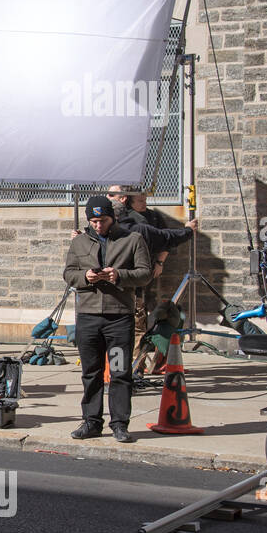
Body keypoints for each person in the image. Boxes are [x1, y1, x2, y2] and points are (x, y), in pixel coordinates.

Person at [63, 195, 152, 444]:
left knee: (120, 371)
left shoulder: (132, 240)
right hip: (89, 317)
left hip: (119, 317)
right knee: (91, 372)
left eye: (102, 220)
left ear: (112, 218)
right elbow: (68, 273)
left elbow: (145, 274)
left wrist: (119, 275)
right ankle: (91, 421)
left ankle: (120, 424)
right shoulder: (79, 242)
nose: (98, 225)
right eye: (93, 221)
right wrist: (85, 277)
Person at [106, 186, 199, 363]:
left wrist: (159, 262)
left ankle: (127, 367)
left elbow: (164, 238)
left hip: (121, 288)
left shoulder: (142, 223)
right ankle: (132, 367)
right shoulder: (137, 230)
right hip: (125, 288)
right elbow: (166, 237)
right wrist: (187, 230)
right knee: (133, 326)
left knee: (127, 326)